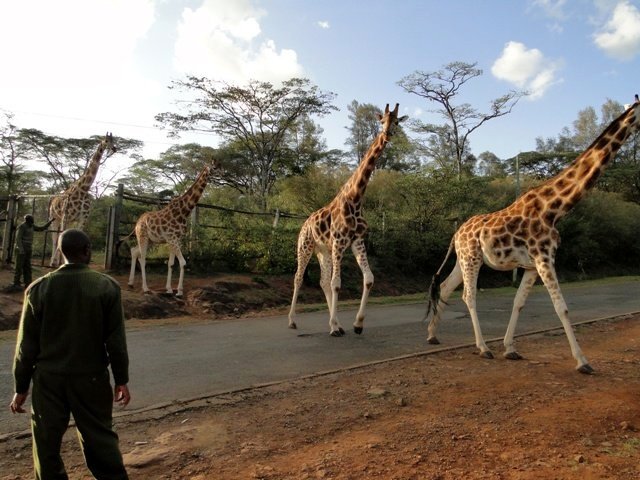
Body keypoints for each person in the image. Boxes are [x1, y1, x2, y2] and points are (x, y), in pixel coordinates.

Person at [10, 228, 131, 480]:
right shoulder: (107, 287)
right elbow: (116, 343)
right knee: (100, 440)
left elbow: (26, 347)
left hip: (48, 381)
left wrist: (21, 387)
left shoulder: (38, 289)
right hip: (92, 379)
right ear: (88, 251)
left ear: (60, 251)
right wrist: (121, 379)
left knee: (45, 445)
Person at [12, 214, 54, 289]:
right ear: (27, 221)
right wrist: (21, 249)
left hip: (28, 248)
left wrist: (50, 222)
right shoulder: (22, 227)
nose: (32, 223)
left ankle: (28, 283)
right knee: (19, 266)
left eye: (32, 221)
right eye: (31, 221)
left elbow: (41, 228)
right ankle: (16, 283)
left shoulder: (31, 226)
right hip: (21, 248)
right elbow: (18, 239)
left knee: (27, 266)